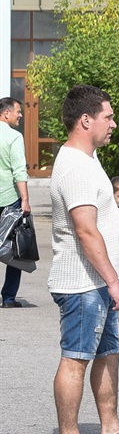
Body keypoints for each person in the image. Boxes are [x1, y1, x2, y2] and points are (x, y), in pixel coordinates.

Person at [47, 85, 119, 434]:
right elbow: (85, 229)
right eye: (108, 116)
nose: (114, 123)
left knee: (109, 353)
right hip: (82, 284)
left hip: (98, 283)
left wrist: (112, 282)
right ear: (86, 120)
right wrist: (113, 280)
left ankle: (111, 432)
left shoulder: (88, 160)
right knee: (76, 356)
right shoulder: (75, 165)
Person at [1, 96, 31, 307]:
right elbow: (19, 170)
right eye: (18, 111)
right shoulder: (13, 137)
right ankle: (9, 298)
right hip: (9, 199)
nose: (20, 115)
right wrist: (25, 200)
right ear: (6, 113)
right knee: (15, 248)